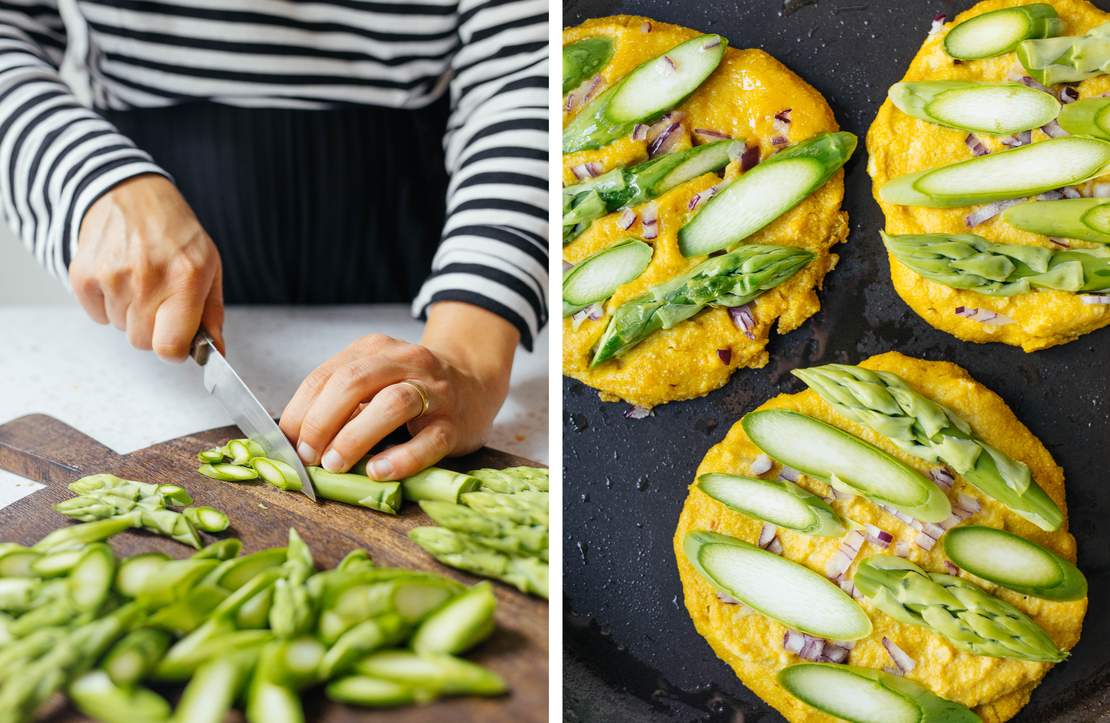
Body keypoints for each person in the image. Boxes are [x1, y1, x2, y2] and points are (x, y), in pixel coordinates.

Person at [0, 0, 548, 480]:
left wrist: (469, 355)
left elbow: (526, 71)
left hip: (428, 245)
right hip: (142, 233)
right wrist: (92, 181)